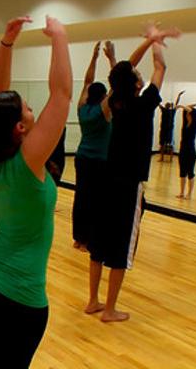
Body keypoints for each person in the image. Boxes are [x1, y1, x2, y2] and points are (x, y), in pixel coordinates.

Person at [0, 15, 72, 368]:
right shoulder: (28, 159)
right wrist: (59, 37)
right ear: (19, 127)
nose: (34, 110)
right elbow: (61, 94)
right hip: (22, 298)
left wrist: (7, 42)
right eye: (29, 108)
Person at [86, 22, 180, 323]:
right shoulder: (144, 104)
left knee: (100, 242)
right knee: (120, 245)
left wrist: (150, 38)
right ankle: (110, 309)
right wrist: (155, 42)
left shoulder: (115, 100)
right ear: (138, 85)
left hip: (106, 179)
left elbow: (127, 68)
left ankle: (93, 301)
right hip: (128, 184)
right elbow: (159, 66)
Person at [72, 41, 115, 251]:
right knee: (96, 202)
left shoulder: (82, 108)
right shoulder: (103, 111)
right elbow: (118, 85)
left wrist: (94, 58)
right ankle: (88, 241)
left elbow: (87, 81)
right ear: (103, 96)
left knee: (81, 198)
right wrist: (112, 59)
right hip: (99, 162)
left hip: (82, 159)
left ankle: (78, 239)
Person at [176, 105, 196, 198]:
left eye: (188, 113)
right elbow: (187, 111)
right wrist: (189, 106)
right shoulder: (185, 123)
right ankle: (181, 192)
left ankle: (189, 194)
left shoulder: (195, 123)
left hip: (191, 151)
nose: (186, 115)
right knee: (182, 172)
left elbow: (191, 111)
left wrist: (182, 106)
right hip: (183, 150)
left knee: (190, 173)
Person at [157, 90, 182, 162]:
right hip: (165, 130)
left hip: (168, 130)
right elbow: (158, 104)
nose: (167, 105)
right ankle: (162, 158)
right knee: (163, 144)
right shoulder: (167, 110)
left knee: (169, 145)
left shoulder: (171, 111)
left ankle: (168, 158)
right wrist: (179, 96)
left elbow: (176, 104)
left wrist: (179, 96)